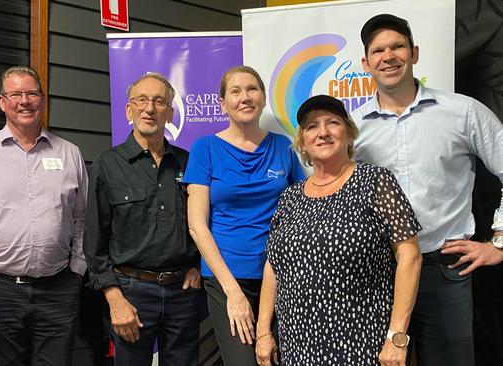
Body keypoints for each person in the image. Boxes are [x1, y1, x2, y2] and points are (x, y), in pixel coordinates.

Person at [352, 14, 503, 365]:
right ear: (366, 63)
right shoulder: (354, 129)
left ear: (414, 53)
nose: (388, 56)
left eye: (397, 46)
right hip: (377, 273)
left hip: (445, 270)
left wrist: (498, 242)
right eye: (378, 50)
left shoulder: (462, 112)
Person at [255, 95, 422, 366]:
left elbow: (410, 256)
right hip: (297, 347)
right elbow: (274, 266)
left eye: (332, 123)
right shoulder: (290, 196)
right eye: (311, 126)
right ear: (303, 142)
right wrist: (263, 332)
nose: (322, 132)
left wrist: (396, 337)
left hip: (361, 345)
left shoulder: (376, 181)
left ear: (349, 133)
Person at [0, 66, 88, 366]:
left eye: (32, 93)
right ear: (2, 102)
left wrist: (76, 272)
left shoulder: (70, 154)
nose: (24, 101)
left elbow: (81, 220)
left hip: (57, 289)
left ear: (43, 99)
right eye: (15, 94)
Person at [184, 65, 304, 365]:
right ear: (223, 103)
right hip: (226, 277)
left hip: (278, 277)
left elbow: (301, 212)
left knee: (279, 359)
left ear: (263, 98)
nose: (245, 97)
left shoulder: (284, 148)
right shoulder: (206, 148)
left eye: (252, 89)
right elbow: (197, 226)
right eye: (235, 91)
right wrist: (232, 293)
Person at [84, 72, 201, 366]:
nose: (150, 108)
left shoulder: (189, 163)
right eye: (141, 100)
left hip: (183, 293)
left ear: (170, 112)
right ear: (129, 109)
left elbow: (207, 222)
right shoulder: (108, 164)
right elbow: (94, 240)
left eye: (159, 101)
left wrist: (198, 265)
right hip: (131, 293)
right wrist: (114, 297)